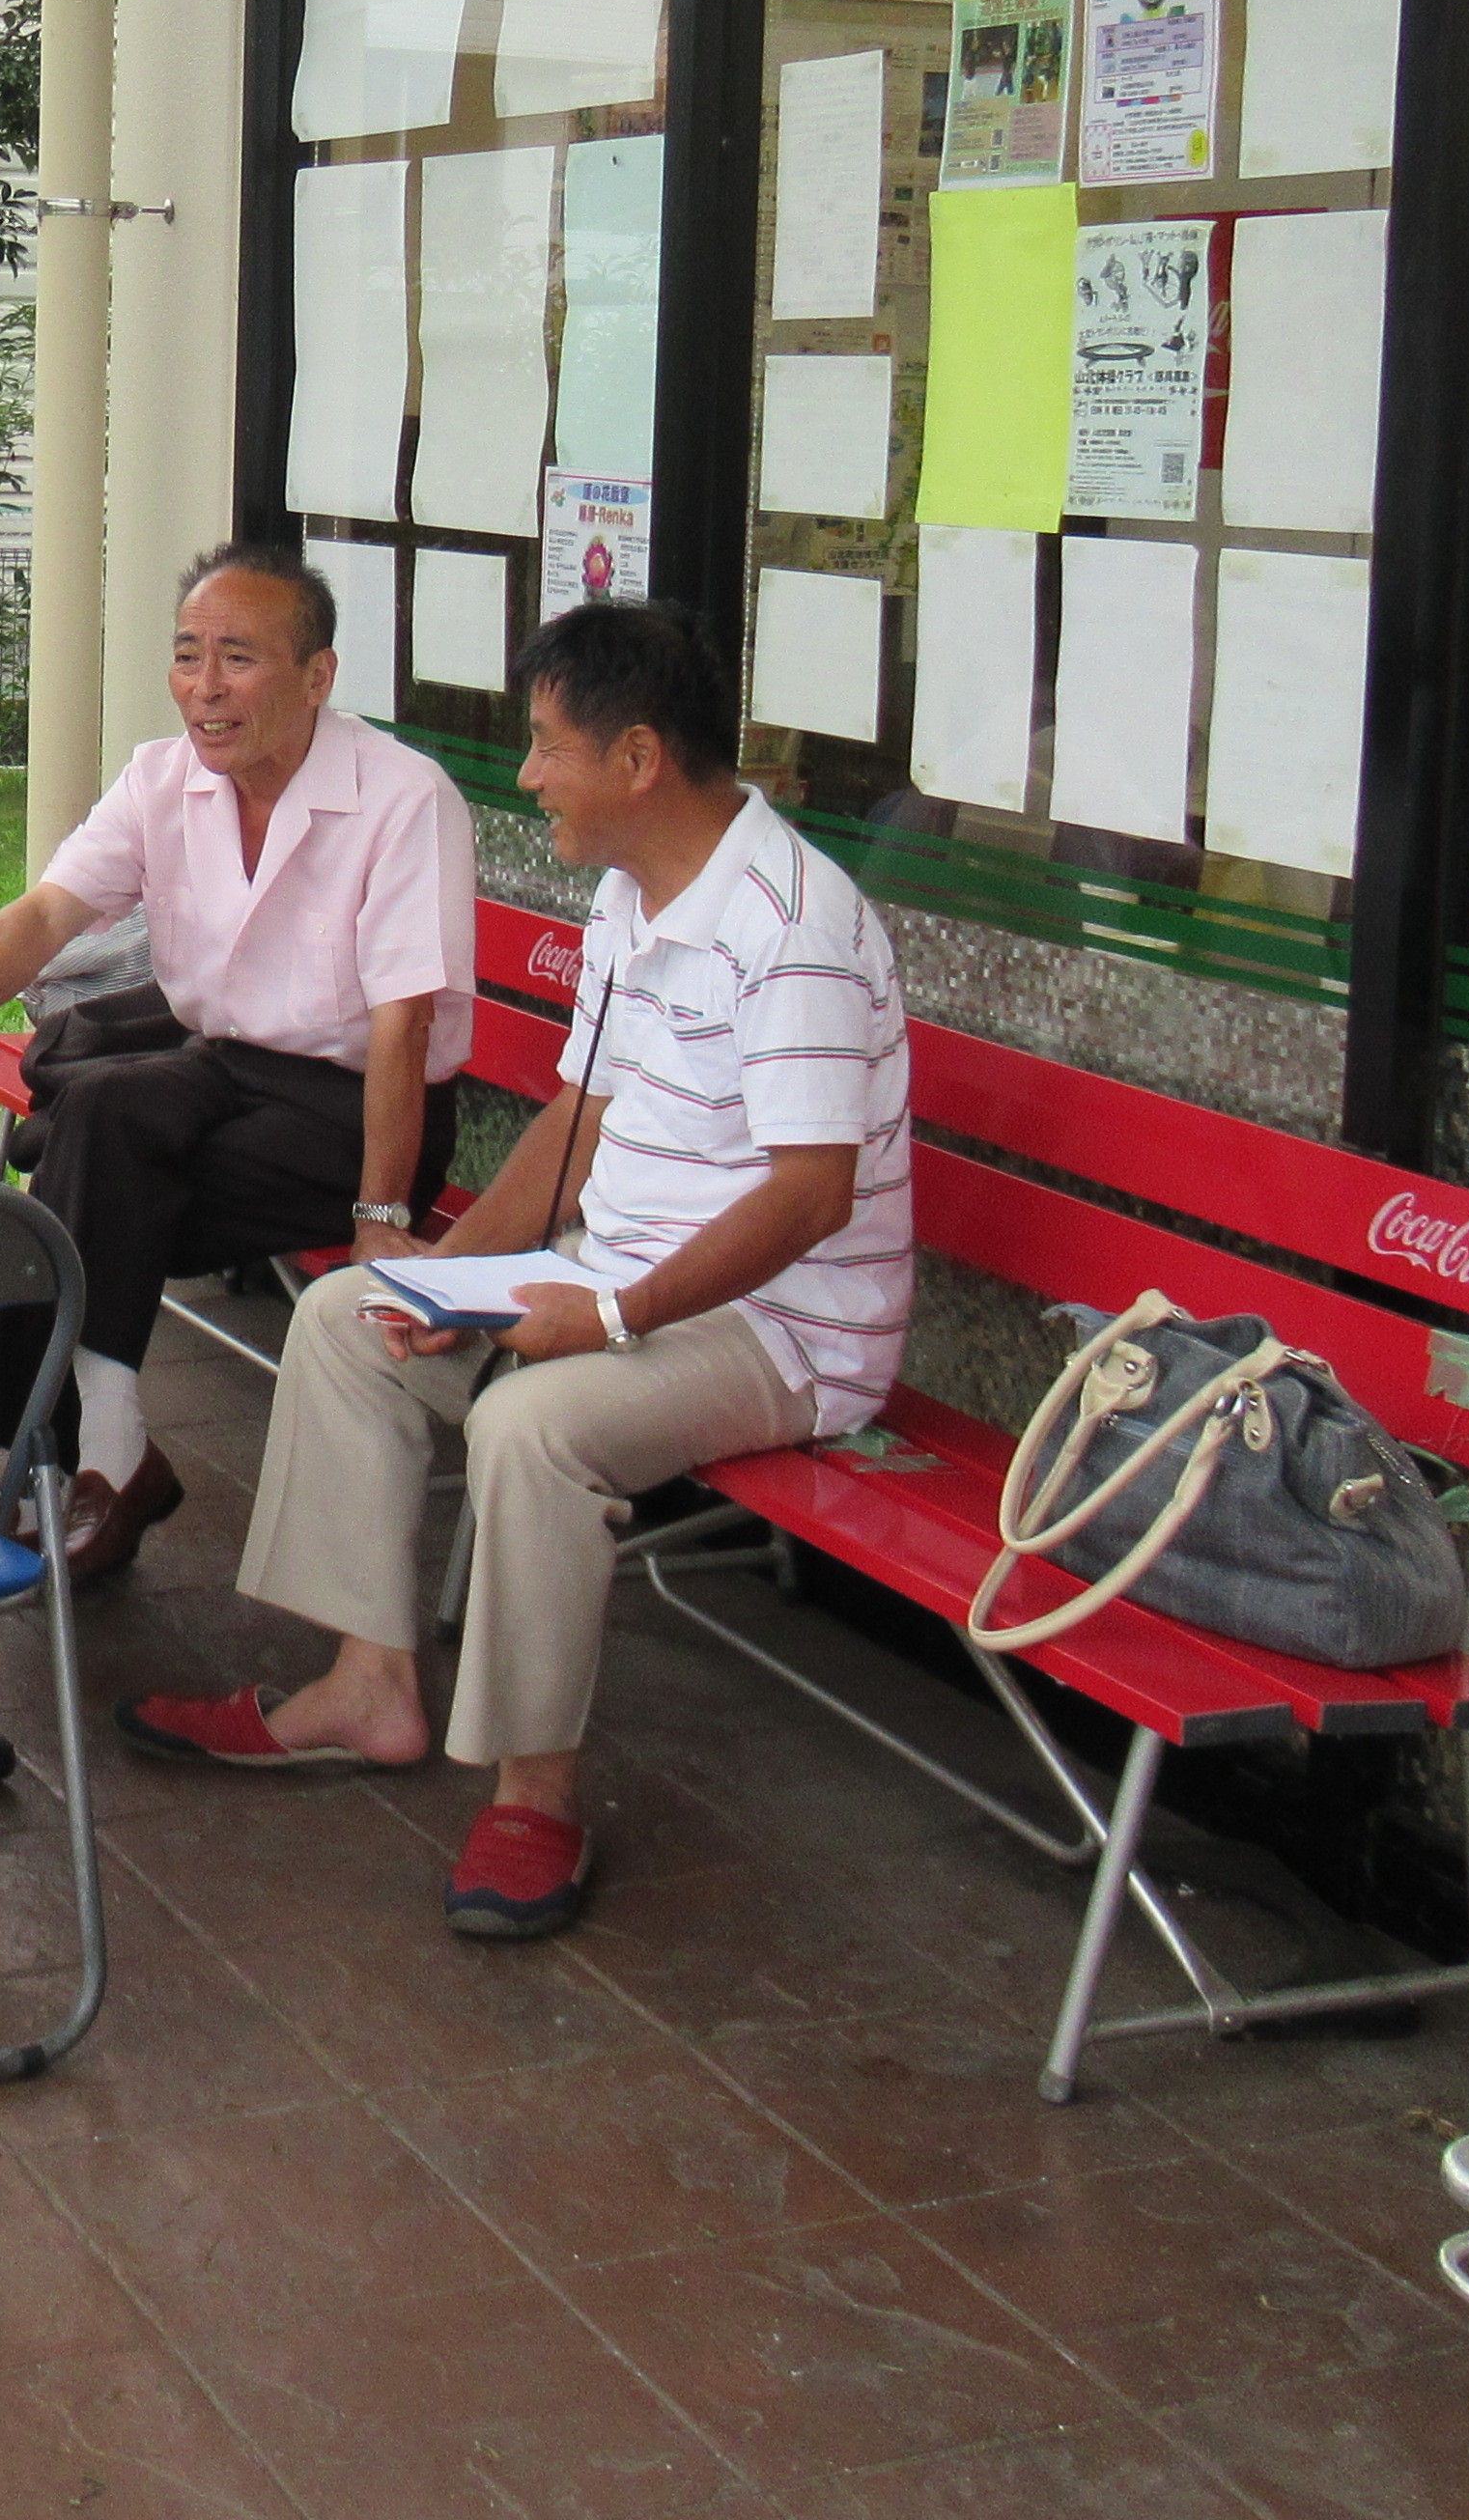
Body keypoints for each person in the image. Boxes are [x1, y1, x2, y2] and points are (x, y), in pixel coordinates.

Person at [120, 600, 912, 1945]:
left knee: (531, 1426)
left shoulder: (794, 926)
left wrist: (605, 1313)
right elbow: (579, 1121)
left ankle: (535, 1792)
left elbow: (810, 1196)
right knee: (343, 1318)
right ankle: (370, 1685)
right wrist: (442, 1275)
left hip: (781, 1330)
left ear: (640, 759)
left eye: (549, 749)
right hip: (622, 1273)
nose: (529, 776)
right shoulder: (631, 895)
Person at [0, 543, 477, 1585]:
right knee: (100, 1120)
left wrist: (382, 1222)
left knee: (71, 1197)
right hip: (218, 1069)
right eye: (187, 656)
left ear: (318, 676)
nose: (205, 689)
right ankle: (109, 1452)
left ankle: (69, 1466)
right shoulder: (162, 779)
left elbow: (403, 1027)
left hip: (359, 1109)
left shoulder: (405, 799)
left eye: (237, 659)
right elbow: (51, 910)